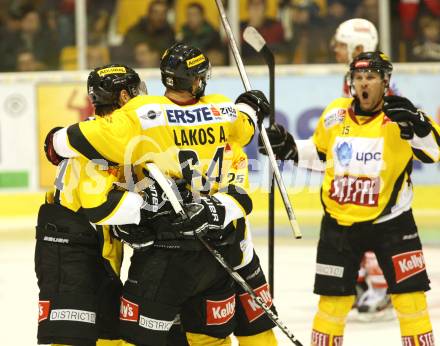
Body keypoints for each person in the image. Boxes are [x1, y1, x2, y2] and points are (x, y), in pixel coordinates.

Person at [44, 43, 277, 346]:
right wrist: (251, 106)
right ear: (197, 80)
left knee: (129, 338)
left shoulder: (141, 114)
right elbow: (245, 131)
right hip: (217, 247)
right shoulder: (225, 111)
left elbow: (69, 141)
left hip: (162, 250)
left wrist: (55, 141)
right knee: (210, 339)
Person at [260, 51, 439, 346]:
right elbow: (321, 154)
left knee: (411, 302)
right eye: (358, 77)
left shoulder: (401, 116)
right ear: (351, 82)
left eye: (371, 77)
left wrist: (416, 124)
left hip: (392, 223)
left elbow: (433, 152)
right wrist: (289, 147)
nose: (364, 83)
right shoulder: (335, 113)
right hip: (339, 224)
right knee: (332, 304)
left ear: (385, 81)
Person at [35, 64, 147, 345]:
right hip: (70, 249)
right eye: (134, 92)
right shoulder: (101, 137)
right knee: (73, 337)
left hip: (93, 247)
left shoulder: (108, 133)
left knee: (111, 334)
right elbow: (95, 203)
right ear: (123, 97)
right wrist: (148, 208)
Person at [332, 18, 396, 320]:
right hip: (358, 160)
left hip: (374, 164)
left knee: (369, 222)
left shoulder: (371, 78)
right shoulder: (357, 76)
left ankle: (382, 289)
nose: (335, 50)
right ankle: (359, 281)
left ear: (359, 46)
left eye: (342, 45)